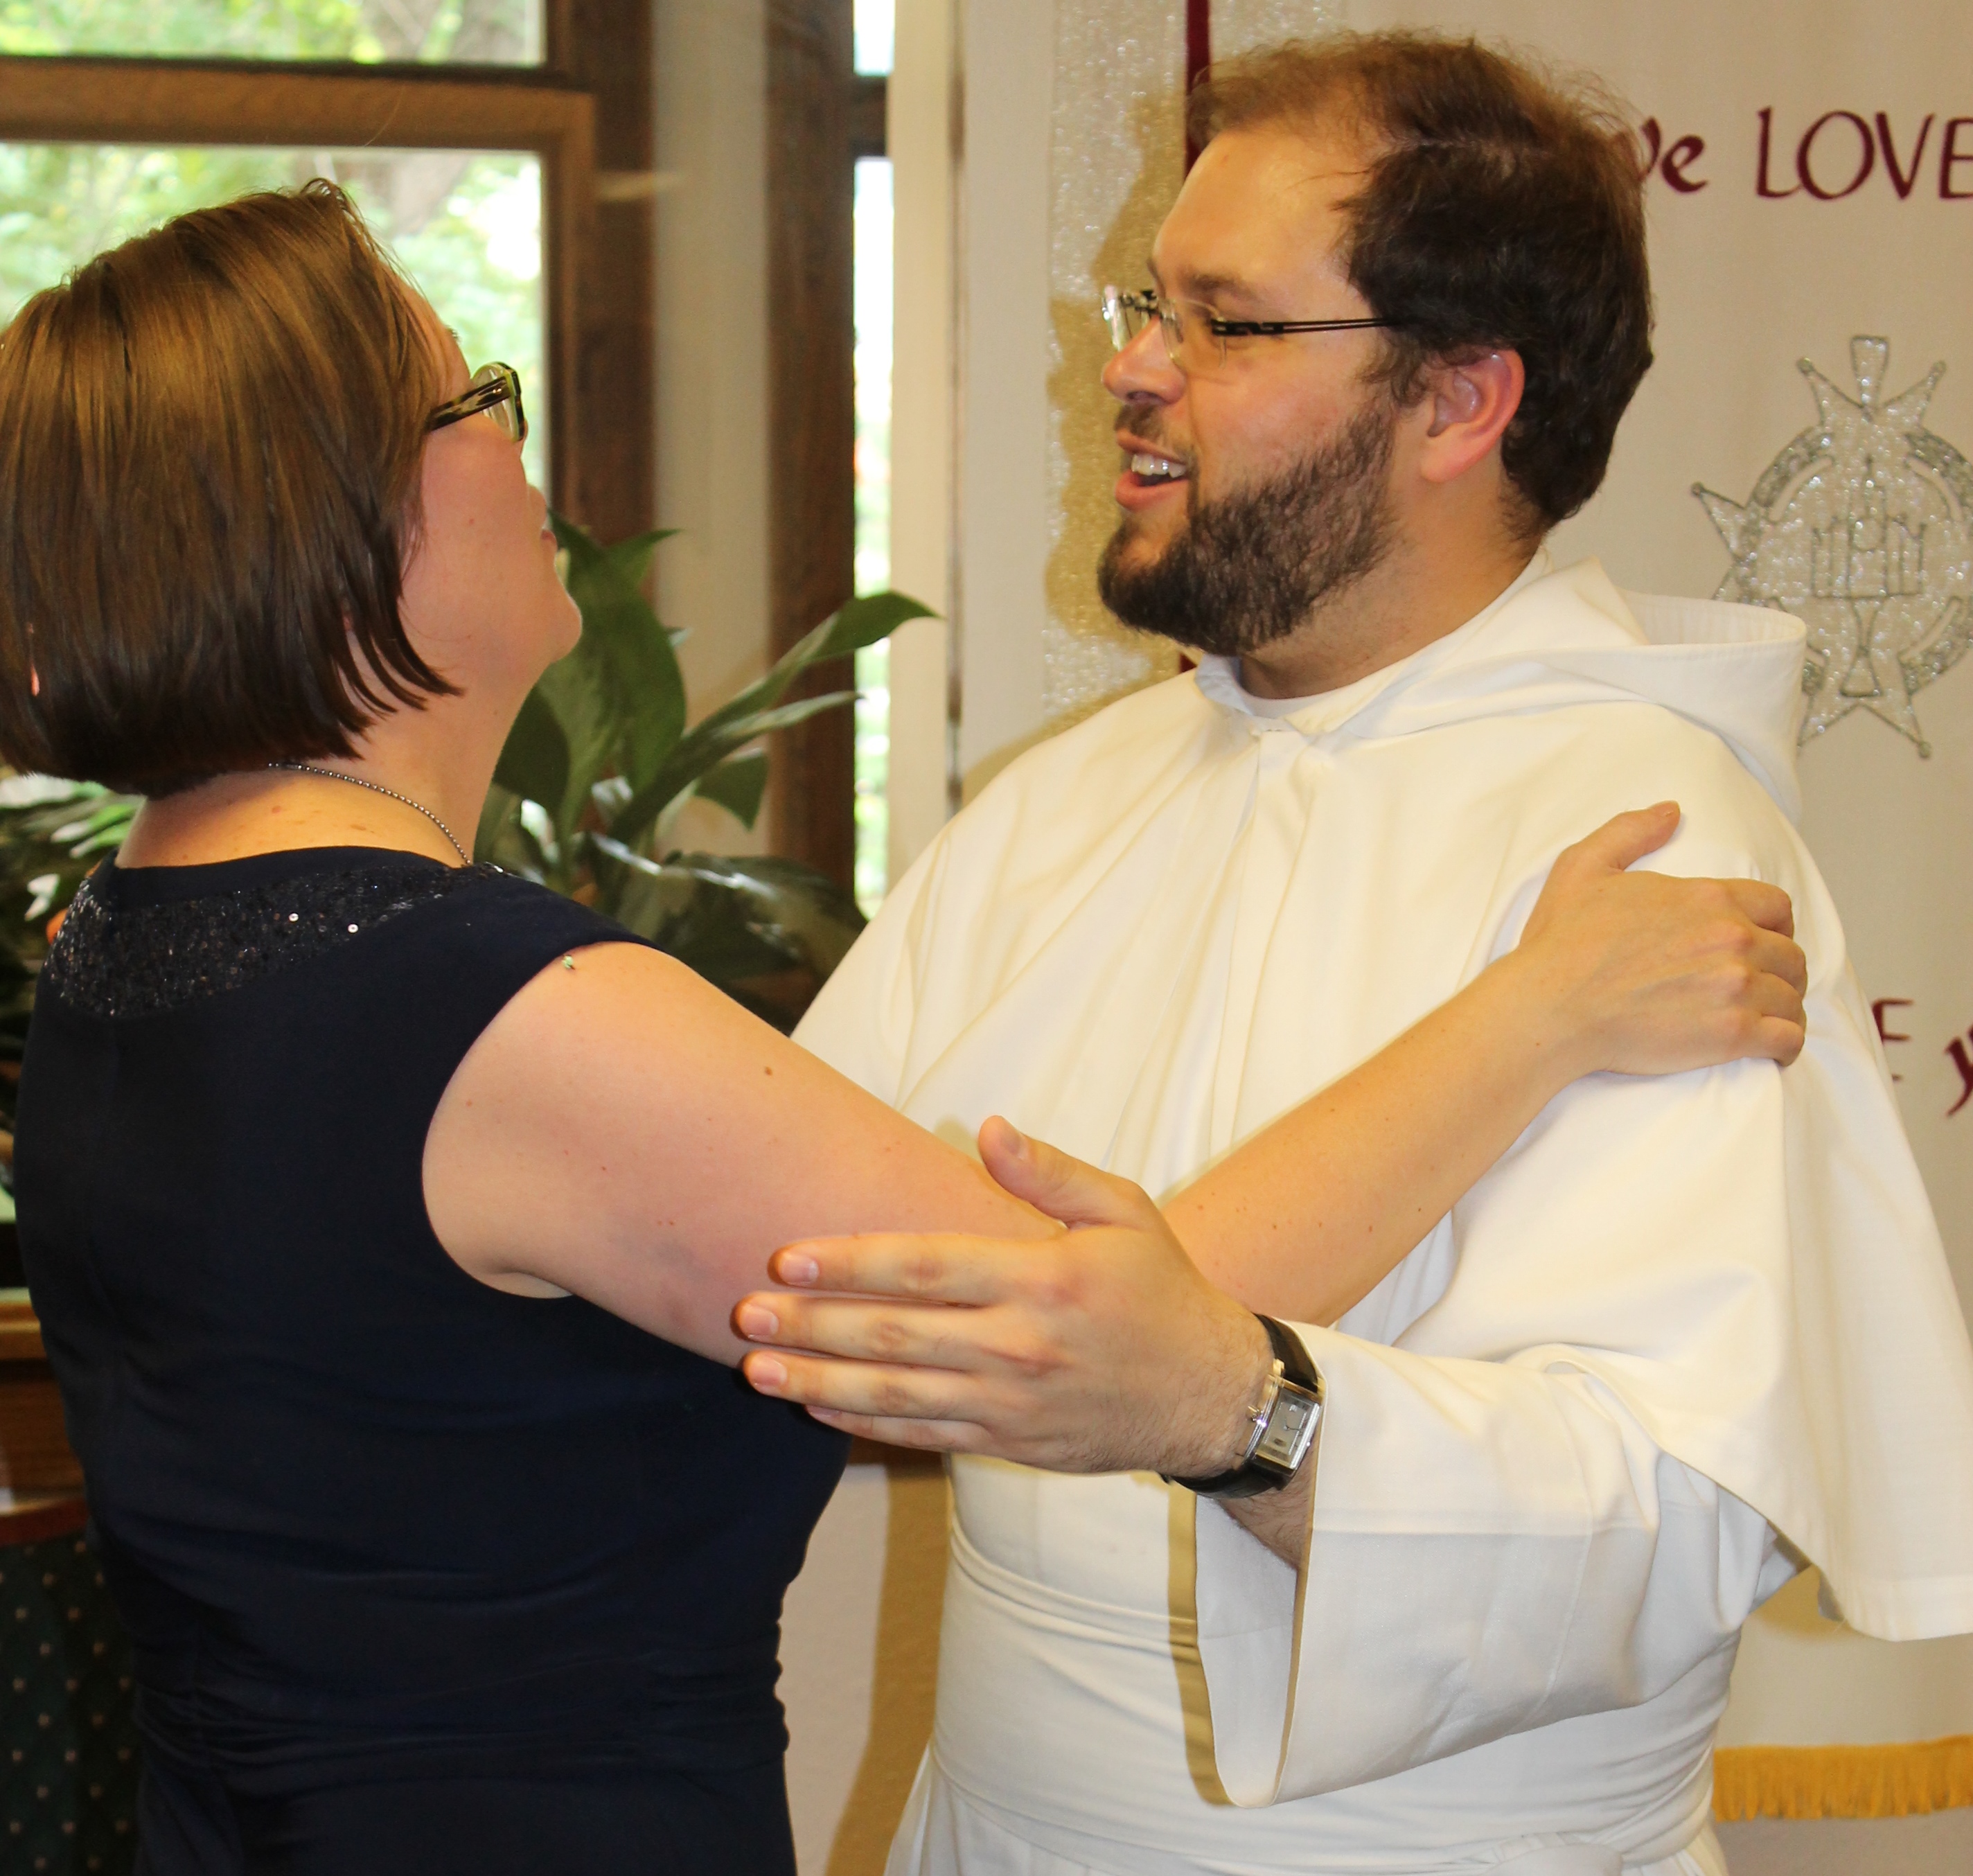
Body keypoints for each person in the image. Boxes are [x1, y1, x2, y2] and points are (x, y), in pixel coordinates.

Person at [0, 182, 1807, 1876]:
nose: (518, 436)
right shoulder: (483, 1005)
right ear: (340, 522)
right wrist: (1539, 1016)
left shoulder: (128, 934)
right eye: (472, 392)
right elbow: (1073, 1337)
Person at [732, 30, 1973, 1876]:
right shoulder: (1063, 807)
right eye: (1149, 303)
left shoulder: (1659, 849)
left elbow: (1682, 1513)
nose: (1131, 370)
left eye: (1223, 323)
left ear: (1460, 403)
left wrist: (1251, 1409)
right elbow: (824, 1275)